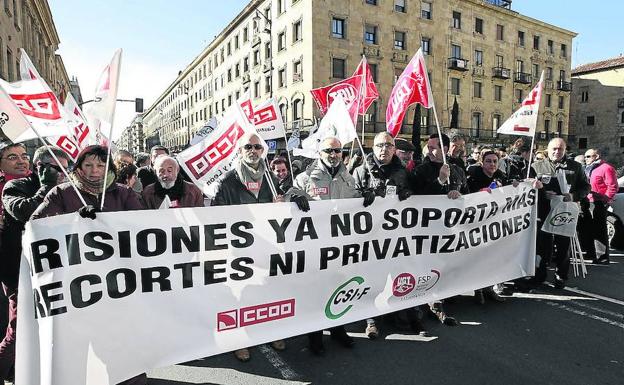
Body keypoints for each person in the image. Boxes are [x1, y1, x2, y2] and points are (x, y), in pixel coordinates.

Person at [30, 145, 145, 385]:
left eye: (101, 165)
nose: (95, 171)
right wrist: (74, 221)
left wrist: (111, 223)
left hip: (116, 284)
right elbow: (36, 227)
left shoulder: (124, 194)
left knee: (122, 348)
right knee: (76, 351)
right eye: (89, 165)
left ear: (109, 168)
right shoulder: (61, 194)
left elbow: (142, 229)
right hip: (76, 285)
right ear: (79, 167)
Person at [212, 133, 297, 362]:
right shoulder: (229, 180)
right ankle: (240, 340)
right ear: (240, 151)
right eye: (247, 146)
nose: (253, 150)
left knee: (268, 291)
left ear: (263, 150)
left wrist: (282, 204)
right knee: (240, 296)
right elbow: (217, 213)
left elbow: (287, 201)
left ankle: (270, 332)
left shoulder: (271, 178)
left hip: (267, 246)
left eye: (257, 146)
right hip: (239, 249)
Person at [0, 146, 69, 383]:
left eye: (64, 168)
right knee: (19, 328)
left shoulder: (65, 188)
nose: (61, 173)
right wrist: (47, 187)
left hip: (51, 267)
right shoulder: (15, 187)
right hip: (18, 268)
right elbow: (26, 212)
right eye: (54, 168)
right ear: (40, 168)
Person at [292, 136, 366, 355]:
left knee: (337, 288)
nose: (333, 155)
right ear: (320, 153)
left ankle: (337, 328)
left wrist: (367, 197)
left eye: (337, 151)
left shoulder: (348, 178)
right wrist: (295, 197)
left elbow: (355, 201)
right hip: (315, 246)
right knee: (316, 291)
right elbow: (288, 198)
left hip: (340, 246)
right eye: (328, 151)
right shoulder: (306, 177)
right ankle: (315, 336)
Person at [411, 133, 468, 326]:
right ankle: (420, 303)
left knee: (443, 268)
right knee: (425, 268)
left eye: (434, 146)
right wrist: (441, 182)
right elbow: (416, 200)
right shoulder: (420, 171)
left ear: (444, 149)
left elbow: (469, 197)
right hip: (426, 231)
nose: (429, 150)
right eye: (428, 146)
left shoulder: (458, 170)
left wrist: (458, 195)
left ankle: (438, 302)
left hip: (450, 230)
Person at [530, 138, 590, 289]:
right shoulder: (536, 166)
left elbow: (586, 187)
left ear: (565, 150)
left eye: (560, 149)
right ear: (547, 150)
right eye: (554, 149)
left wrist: (574, 196)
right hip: (544, 212)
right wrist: (542, 192)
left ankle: (561, 276)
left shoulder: (575, 167)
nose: (557, 152)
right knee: (543, 247)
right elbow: (528, 189)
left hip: (565, 211)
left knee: (563, 246)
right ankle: (540, 274)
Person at [466, 149, 511, 304]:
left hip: (496, 224)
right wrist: (479, 193)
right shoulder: (473, 179)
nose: (492, 164)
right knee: (479, 258)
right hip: (478, 225)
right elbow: (467, 198)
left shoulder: (502, 177)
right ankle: (477, 289)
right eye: (488, 161)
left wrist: (517, 185)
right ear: (481, 162)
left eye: (494, 161)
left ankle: (489, 288)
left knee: (493, 258)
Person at [581, 148, 618, 264]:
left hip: (598, 202)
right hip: (587, 201)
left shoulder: (606, 168)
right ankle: (591, 253)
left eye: (588, 156)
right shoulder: (588, 168)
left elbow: (613, 186)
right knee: (589, 229)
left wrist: (605, 200)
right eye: (585, 156)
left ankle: (602, 257)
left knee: (599, 230)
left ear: (596, 156)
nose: (585, 158)